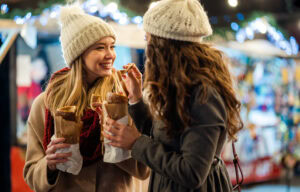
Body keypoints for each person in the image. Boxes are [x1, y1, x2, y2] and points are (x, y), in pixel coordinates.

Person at [103, 0, 244, 191]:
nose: (147, 46)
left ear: (164, 45)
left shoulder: (204, 93)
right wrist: (136, 100)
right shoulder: (178, 86)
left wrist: (136, 142)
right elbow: (165, 139)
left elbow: (192, 173)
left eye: (148, 38)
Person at [23, 5, 149, 192]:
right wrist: (48, 164)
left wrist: (117, 138)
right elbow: (32, 175)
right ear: (78, 54)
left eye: (112, 46)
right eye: (100, 47)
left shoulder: (126, 98)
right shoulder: (47, 104)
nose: (110, 55)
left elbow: (144, 170)